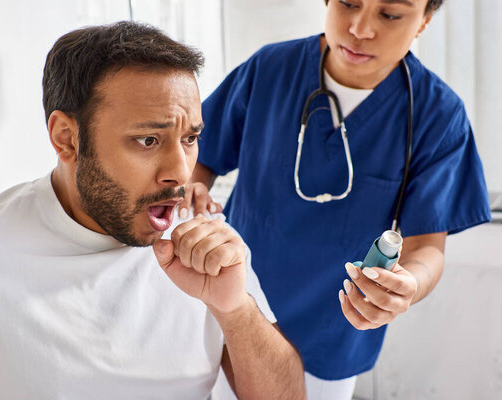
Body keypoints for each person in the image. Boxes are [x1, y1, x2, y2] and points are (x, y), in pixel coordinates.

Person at [0, 22, 307, 400]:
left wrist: (236, 310)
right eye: (148, 140)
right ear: (67, 139)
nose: (180, 173)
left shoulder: (206, 241)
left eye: (189, 138)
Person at [180, 0, 491, 399]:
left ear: (425, 20)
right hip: (231, 304)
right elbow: (199, 157)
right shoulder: (269, 70)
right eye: (348, 3)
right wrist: (193, 187)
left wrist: (408, 284)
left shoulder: (437, 115)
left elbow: (427, 248)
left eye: (390, 14)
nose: (360, 28)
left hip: (332, 330)